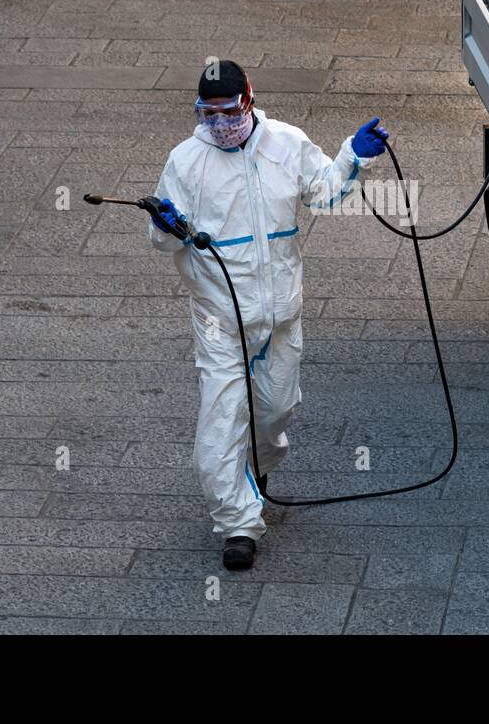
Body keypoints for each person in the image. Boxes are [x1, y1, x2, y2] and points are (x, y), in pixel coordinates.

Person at [148, 60, 389, 570]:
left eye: (228, 111)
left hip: (281, 315)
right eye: (207, 114)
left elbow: (323, 193)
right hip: (219, 320)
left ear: (249, 100)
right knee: (220, 425)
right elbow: (162, 238)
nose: (219, 124)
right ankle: (237, 525)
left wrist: (353, 156)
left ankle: (257, 467)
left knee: (275, 410)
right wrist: (166, 225)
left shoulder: (286, 143)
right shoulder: (186, 162)